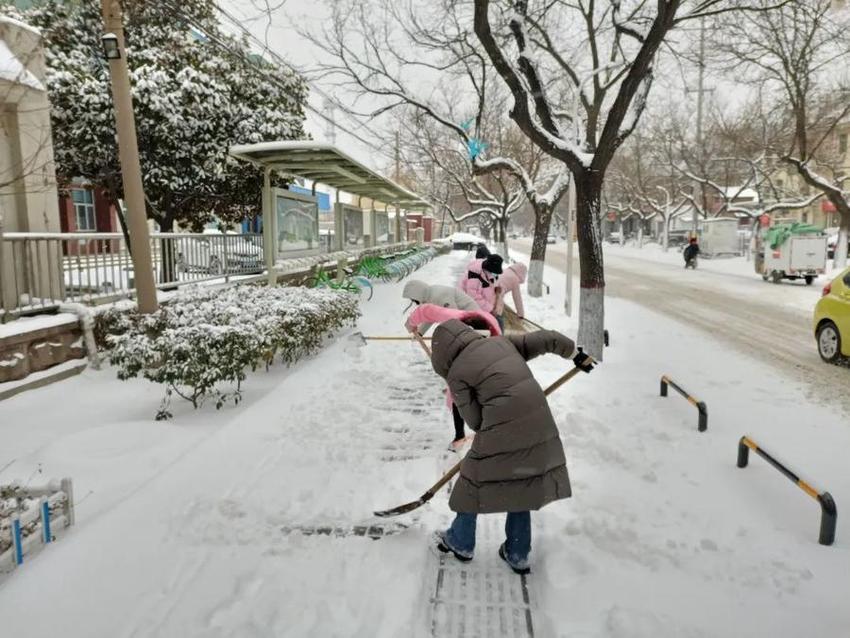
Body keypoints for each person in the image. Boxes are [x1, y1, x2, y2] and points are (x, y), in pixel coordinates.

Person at [430, 320, 595, 574]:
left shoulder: (457, 374)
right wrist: (575, 354)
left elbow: (475, 421)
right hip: (540, 422)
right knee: (522, 480)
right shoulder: (502, 342)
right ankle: (517, 552)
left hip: (501, 428)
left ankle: (460, 541)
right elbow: (547, 338)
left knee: (471, 482)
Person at [405, 304, 502, 450]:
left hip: (486, 358)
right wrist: (411, 323)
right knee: (458, 392)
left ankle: (490, 429)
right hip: (459, 357)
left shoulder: (496, 342)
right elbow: (426, 310)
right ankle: (459, 435)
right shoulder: (453, 319)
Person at [401, 280, 479, 334]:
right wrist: (420, 332)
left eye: (413, 299)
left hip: (473, 318)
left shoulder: (438, 295)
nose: (414, 302)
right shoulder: (430, 295)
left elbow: (453, 317)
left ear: (417, 293)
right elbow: (430, 317)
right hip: (465, 319)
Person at [493, 262, 528, 328]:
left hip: (492, 289)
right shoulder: (515, 279)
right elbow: (517, 298)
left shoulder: (506, 270)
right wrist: (521, 315)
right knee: (498, 315)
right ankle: (498, 331)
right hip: (498, 293)